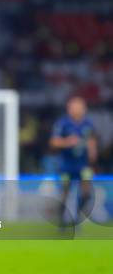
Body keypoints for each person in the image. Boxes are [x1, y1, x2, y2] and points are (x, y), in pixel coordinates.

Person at [49, 96, 97, 228]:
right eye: (75, 106)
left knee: (86, 193)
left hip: (83, 164)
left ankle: (76, 217)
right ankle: (62, 222)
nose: (78, 109)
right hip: (66, 164)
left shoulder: (88, 124)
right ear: (69, 108)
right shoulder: (62, 123)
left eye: (80, 107)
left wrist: (93, 151)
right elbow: (53, 142)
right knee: (64, 193)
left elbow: (92, 140)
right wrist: (67, 142)